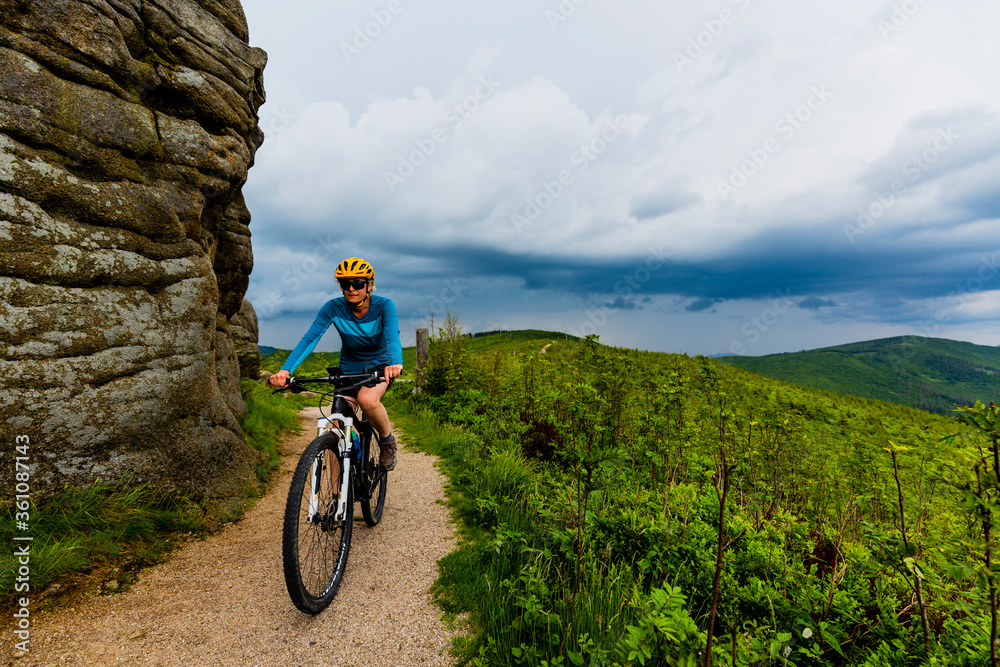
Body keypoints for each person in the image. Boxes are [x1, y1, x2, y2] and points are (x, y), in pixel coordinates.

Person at [269, 257, 404, 470]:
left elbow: (392, 336)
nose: (351, 289)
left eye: (358, 283)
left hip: (379, 368)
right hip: (349, 370)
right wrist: (286, 370)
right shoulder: (333, 307)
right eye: (345, 284)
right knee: (336, 426)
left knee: (367, 400)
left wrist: (395, 363)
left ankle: (387, 441)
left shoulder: (384, 306)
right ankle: (337, 490)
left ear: (369, 285)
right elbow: (310, 338)